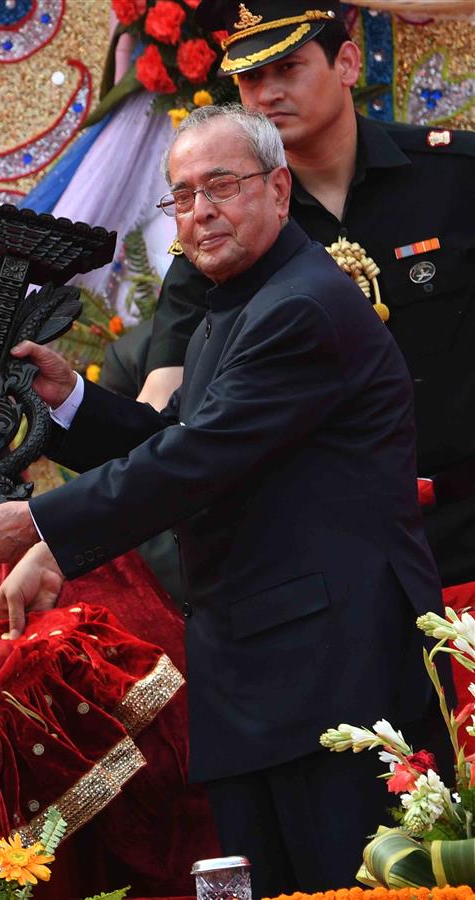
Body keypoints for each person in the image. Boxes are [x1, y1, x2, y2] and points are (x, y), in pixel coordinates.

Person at [0, 104, 442, 894]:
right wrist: (71, 400)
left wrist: (40, 520)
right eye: (182, 195)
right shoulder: (242, 304)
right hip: (264, 675)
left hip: (330, 683)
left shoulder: (300, 308)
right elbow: (177, 439)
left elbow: (195, 459)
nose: (199, 212)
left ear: (279, 189)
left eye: (222, 186)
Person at [141, 0, 475, 596]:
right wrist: (74, 530)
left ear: (346, 63)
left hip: (466, 524)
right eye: (250, 78)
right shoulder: (226, 226)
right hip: (324, 559)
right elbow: (168, 394)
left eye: (287, 68)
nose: (266, 94)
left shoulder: (454, 176)